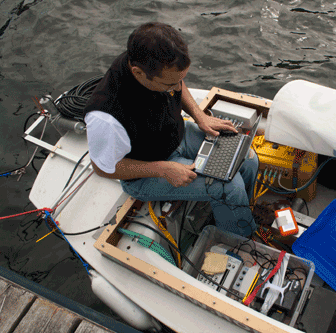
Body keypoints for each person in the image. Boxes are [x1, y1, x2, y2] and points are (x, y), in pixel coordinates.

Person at [83, 22, 258, 237]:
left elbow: (177, 83)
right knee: (230, 187)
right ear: (138, 73)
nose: (176, 89)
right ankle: (240, 240)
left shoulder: (151, 62)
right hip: (145, 173)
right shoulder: (106, 116)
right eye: (169, 85)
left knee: (248, 158)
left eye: (180, 80)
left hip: (176, 136)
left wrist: (200, 116)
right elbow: (103, 168)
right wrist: (163, 169)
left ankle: (238, 213)